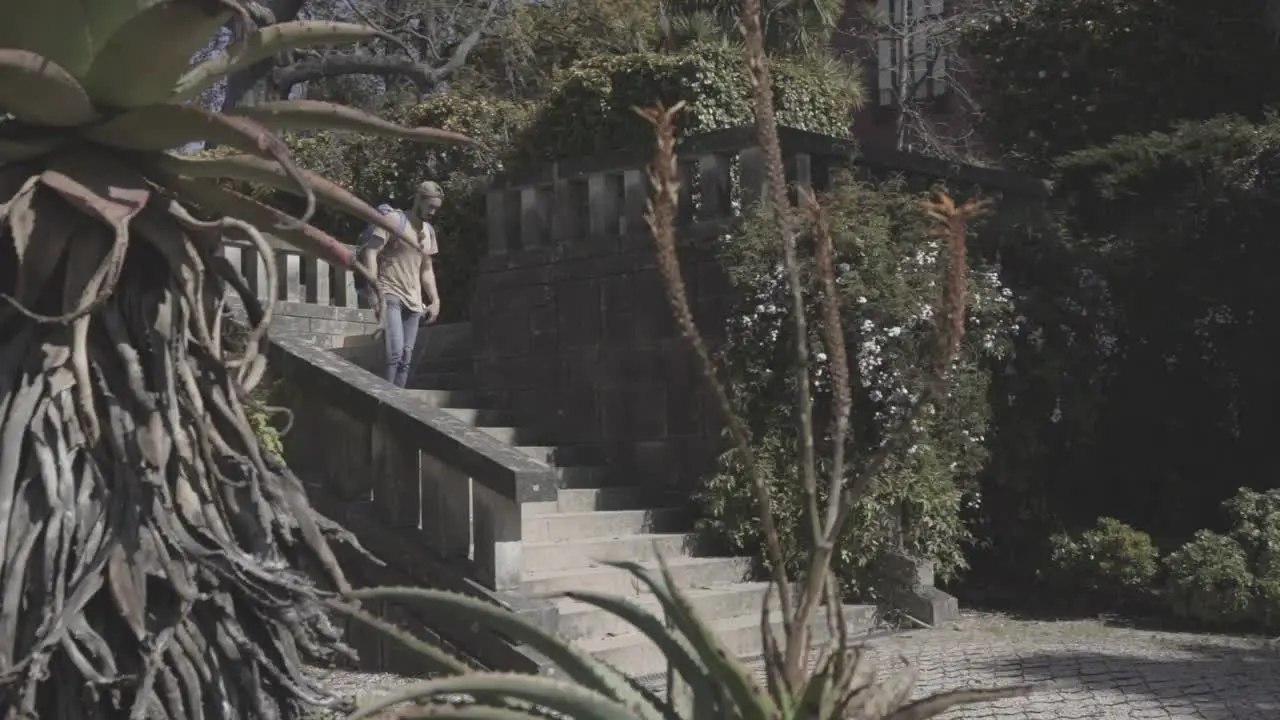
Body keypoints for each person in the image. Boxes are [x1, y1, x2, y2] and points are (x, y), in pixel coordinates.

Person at [362, 181, 443, 387]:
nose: (433, 212)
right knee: (395, 353)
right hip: (390, 293)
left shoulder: (429, 232)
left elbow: (426, 269)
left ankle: (399, 407)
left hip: (414, 301)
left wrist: (435, 300)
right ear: (418, 200)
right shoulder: (395, 220)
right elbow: (371, 252)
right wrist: (374, 290)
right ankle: (385, 403)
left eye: (436, 208)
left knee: (406, 358)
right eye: (430, 206)